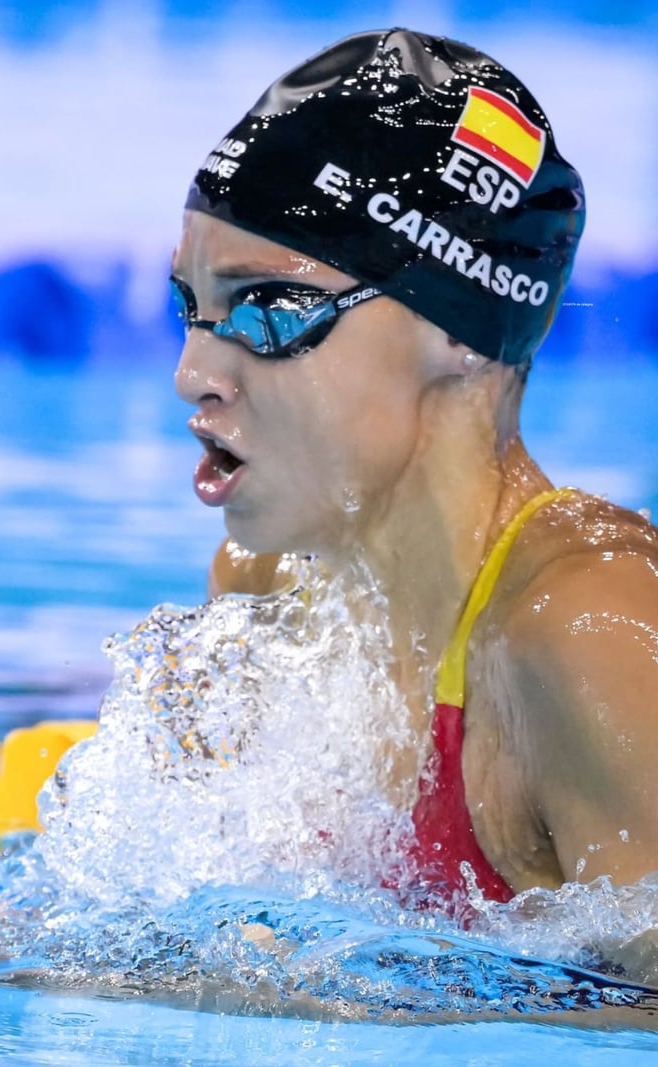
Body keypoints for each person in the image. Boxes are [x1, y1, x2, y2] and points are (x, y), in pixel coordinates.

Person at [170, 29, 658, 905]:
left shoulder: (595, 634)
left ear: (457, 328)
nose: (194, 373)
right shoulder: (265, 593)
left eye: (268, 308)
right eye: (192, 308)